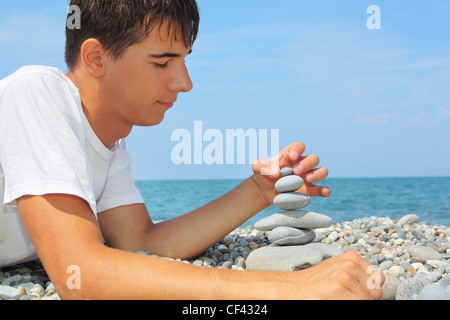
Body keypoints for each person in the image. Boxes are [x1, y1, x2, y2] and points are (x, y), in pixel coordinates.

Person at [0, 0, 383, 300]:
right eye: (162, 62)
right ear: (96, 57)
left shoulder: (109, 141)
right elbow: (80, 272)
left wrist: (256, 192)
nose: (184, 82)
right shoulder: (36, 90)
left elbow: (142, 244)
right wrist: (289, 288)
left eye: (183, 60)